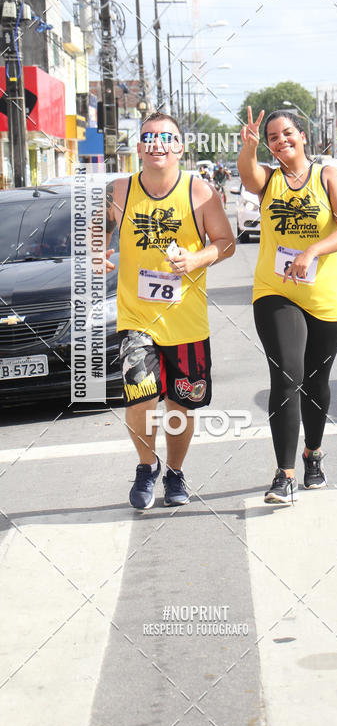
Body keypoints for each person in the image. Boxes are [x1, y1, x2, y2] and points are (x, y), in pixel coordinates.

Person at [101, 111, 235, 509]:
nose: (157, 143)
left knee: (181, 406)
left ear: (180, 146)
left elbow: (226, 242)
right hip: (136, 319)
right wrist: (99, 253)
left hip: (187, 322)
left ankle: (174, 473)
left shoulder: (199, 192)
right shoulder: (120, 191)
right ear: (139, 146)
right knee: (139, 396)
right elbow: (97, 229)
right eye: (149, 137)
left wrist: (197, 260)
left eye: (166, 137)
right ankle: (146, 466)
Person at [238, 106, 337, 503]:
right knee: (287, 375)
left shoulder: (328, 176)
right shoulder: (268, 180)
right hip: (276, 291)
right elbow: (246, 173)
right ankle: (284, 474)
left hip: (326, 297)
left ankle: (313, 453)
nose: (281, 141)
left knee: (314, 383)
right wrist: (249, 148)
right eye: (273, 137)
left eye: (286, 133)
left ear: (302, 135)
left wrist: (313, 251)